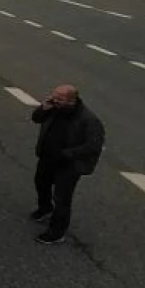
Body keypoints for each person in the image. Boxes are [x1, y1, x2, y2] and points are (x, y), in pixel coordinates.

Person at [29, 85, 105, 245]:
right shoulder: (53, 108)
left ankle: (57, 232)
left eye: (60, 99)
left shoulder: (89, 120)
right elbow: (36, 118)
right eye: (54, 96)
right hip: (48, 157)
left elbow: (93, 146)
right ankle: (45, 208)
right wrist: (44, 108)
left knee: (62, 197)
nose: (55, 100)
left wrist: (67, 153)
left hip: (69, 164)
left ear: (72, 100)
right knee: (40, 183)